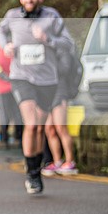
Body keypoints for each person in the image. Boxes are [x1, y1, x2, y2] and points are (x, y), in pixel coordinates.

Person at [0, 0, 74, 194]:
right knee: (31, 124)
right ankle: (31, 173)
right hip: (21, 77)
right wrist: (5, 46)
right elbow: (0, 30)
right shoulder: (12, 16)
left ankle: (36, 169)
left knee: (39, 127)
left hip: (47, 80)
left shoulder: (51, 16)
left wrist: (48, 39)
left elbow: (68, 43)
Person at [41, 38, 80, 176]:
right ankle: (57, 161)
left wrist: (47, 64)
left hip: (60, 91)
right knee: (49, 129)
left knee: (61, 127)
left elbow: (65, 69)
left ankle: (70, 161)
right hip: (47, 92)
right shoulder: (42, 49)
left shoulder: (61, 47)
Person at [0, 39, 23, 148]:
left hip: (1, 88)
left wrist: (8, 79)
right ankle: (19, 138)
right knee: (17, 113)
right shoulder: (14, 50)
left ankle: (4, 139)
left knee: (4, 114)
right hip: (15, 86)